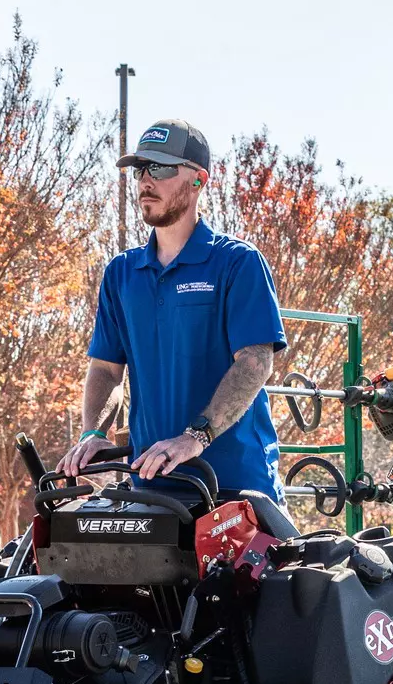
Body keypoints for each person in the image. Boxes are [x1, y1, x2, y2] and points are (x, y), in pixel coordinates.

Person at [62, 119, 288, 498]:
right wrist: (94, 434)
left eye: (162, 168)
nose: (146, 180)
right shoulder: (121, 273)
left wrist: (194, 438)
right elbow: (105, 369)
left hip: (235, 490)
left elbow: (254, 362)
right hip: (152, 488)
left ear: (198, 180)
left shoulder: (237, 263)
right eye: (141, 169)